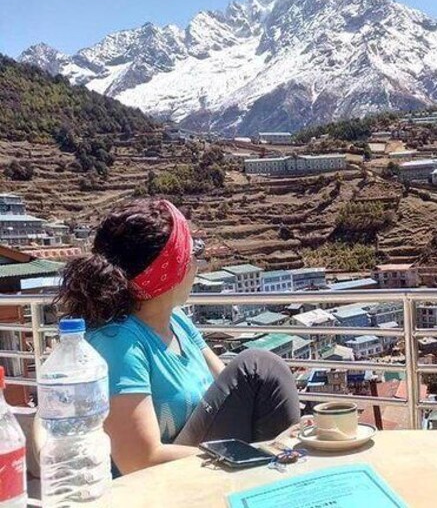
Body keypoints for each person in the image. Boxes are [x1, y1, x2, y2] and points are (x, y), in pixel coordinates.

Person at [54, 199, 300, 475]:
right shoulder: (117, 342)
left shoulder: (177, 321)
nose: (198, 263)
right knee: (259, 365)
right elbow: (139, 459)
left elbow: (230, 387)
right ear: (171, 271)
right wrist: (253, 454)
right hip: (160, 483)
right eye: (192, 252)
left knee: (262, 371)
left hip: (200, 461)